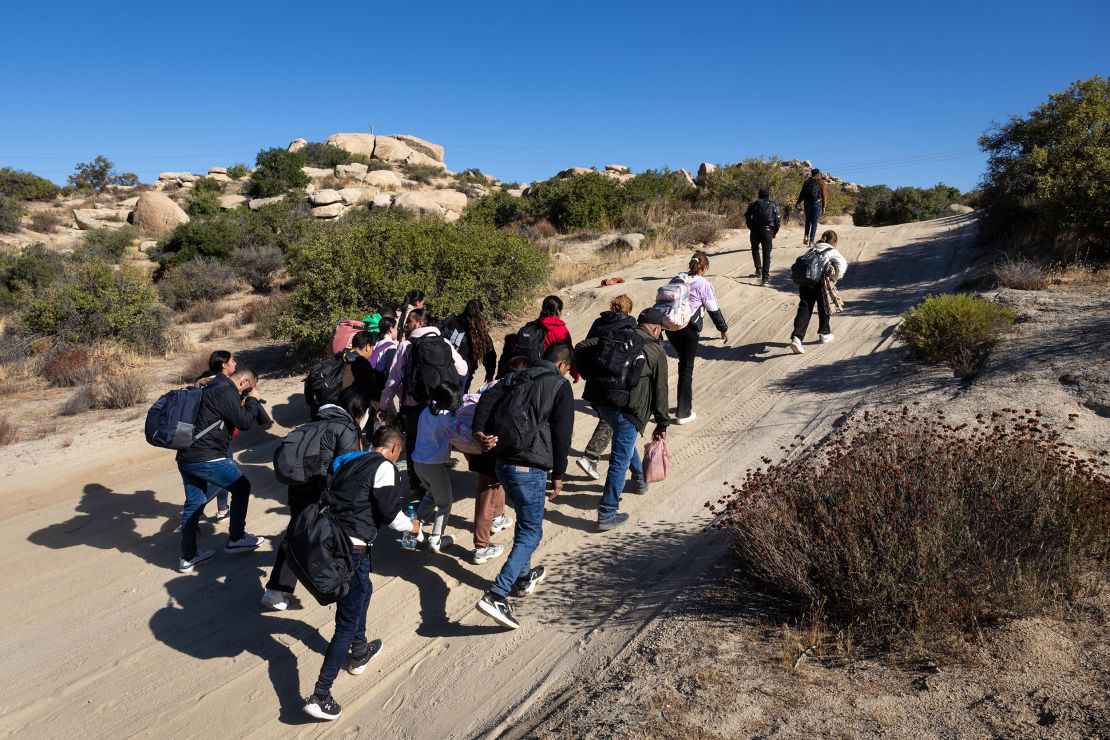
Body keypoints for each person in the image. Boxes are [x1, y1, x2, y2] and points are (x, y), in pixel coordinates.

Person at [301, 425, 421, 722]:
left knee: (364, 589)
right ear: (394, 449)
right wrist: (414, 528)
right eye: (399, 453)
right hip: (351, 550)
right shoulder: (384, 468)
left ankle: (359, 650)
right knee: (346, 619)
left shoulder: (351, 460)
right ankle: (320, 694)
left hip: (334, 542)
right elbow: (392, 517)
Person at [472, 344, 575, 630]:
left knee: (525, 524)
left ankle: (523, 577)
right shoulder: (559, 385)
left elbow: (488, 395)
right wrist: (560, 473)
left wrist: (480, 432)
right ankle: (497, 594)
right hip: (530, 467)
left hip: (502, 464)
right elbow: (561, 434)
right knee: (532, 532)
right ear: (563, 365)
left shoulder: (518, 376)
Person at [261, 387, 370, 611]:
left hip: (297, 487)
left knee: (296, 533)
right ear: (360, 411)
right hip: (320, 489)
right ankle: (331, 584)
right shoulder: (346, 428)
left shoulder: (313, 422)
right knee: (325, 537)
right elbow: (347, 468)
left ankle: (276, 590)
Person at [576, 308, 670, 531]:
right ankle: (607, 512)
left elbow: (580, 347)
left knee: (623, 441)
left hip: (602, 402)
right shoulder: (655, 350)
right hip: (629, 409)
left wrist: (589, 375)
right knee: (619, 459)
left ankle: (639, 479)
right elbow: (661, 390)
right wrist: (662, 422)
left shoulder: (618, 334)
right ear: (656, 329)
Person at [175, 366, 268, 572]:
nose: (245, 392)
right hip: (207, 456)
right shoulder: (225, 391)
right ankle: (236, 538)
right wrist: (252, 400)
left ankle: (188, 557)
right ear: (244, 382)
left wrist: (244, 401)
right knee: (241, 487)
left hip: (185, 455)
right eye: (248, 388)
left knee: (194, 502)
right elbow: (244, 422)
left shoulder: (212, 385)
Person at [380, 308, 467, 498]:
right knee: (438, 439)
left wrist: (384, 405)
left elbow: (394, 379)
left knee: (413, 442)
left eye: (409, 321)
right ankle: (438, 481)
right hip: (440, 404)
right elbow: (463, 369)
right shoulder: (444, 342)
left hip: (414, 404)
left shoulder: (407, 345)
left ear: (420, 323)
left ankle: (416, 484)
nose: (406, 325)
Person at [467, 355, 530, 565]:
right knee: (485, 495)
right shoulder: (514, 392)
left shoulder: (489, 388)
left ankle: (497, 518)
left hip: (483, 450)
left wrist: (480, 437)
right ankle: (481, 546)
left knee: (494, 486)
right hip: (495, 452)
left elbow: (478, 421)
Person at [576, 294, 635, 481]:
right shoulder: (630, 323)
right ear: (629, 309)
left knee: (612, 420)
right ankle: (591, 456)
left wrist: (586, 373)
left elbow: (584, 347)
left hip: (595, 377)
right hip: (616, 378)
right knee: (612, 418)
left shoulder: (598, 323)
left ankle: (636, 470)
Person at [665, 252, 729, 425]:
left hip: (670, 328)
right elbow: (713, 309)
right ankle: (684, 412)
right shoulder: (704, 284)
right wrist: (723, 329)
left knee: (682, 363)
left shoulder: (677, 279)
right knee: (686, 369)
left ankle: (680, 403)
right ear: (705, 267)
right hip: (688, 330)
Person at [411, 382, 462, 552]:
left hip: (418, 463)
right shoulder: (447, 418)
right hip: (434, 466)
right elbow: (457, 435)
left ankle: (413, 526)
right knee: (445, 503)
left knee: (432, 495)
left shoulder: (425, 411)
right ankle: (436, 539)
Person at [192, 350, 237, 520]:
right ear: (223, 365)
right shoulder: (222, 385)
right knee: (225, 472)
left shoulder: (201, 382)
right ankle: (198, 509)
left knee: (213, 473)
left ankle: (221, 508)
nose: (235, 363)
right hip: (217, 436)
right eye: (233, 360)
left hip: (199, 436)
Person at [790, 230, 848, 354]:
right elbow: (842, 265)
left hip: (806, 282)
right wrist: (835, 278)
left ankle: (797, 338)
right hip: (821, 282)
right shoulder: (832, 251)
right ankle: (824, 333)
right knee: (824, 306)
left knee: (805, 308)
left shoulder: (812, 249)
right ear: (835, 242)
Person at [501, 295, 581, 382]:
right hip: (545, 376)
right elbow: (568, 353)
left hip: (522, 373)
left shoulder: (530, 326)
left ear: (543, 308)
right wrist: (575, 374)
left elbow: (514, 346)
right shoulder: (560, 330)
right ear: (558, 312)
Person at [440, 299, 497, 392]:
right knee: (457, 401)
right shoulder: (480, 332)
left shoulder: (450, 320)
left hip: (442, 367)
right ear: (480, 312)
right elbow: (490, 355)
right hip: (462, 373)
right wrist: (490, 374)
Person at [745, 188, 781, 286]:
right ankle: (765, 279)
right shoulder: (773, 204)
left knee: (755, 249)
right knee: (766, 254)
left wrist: (751, 227)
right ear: (768, 195)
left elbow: (747, 216)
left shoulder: (753, 204)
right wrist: (775, 231)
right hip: (767, 230)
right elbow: (777, 219)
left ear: (759, 195)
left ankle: (758, 270)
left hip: (755, 230)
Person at [367, 316, 399, 413]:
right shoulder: (391, 347)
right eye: (396, 328)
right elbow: (392, 371)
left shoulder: (376, 344)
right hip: (382, 389)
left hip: (372, 385)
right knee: (390, 416)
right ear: (390, 329)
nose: (397, 331)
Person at [795, 168, 828, 247]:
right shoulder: (821, 182)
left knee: (807, 221)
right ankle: (811, 240)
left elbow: (802, 193)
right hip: (816, 204)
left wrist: (798, 202)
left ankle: (805, 236)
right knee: (814, 223)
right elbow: (824, 195)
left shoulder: (807, 182)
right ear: (818, 174)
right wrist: (824, 206)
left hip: (807, 204)